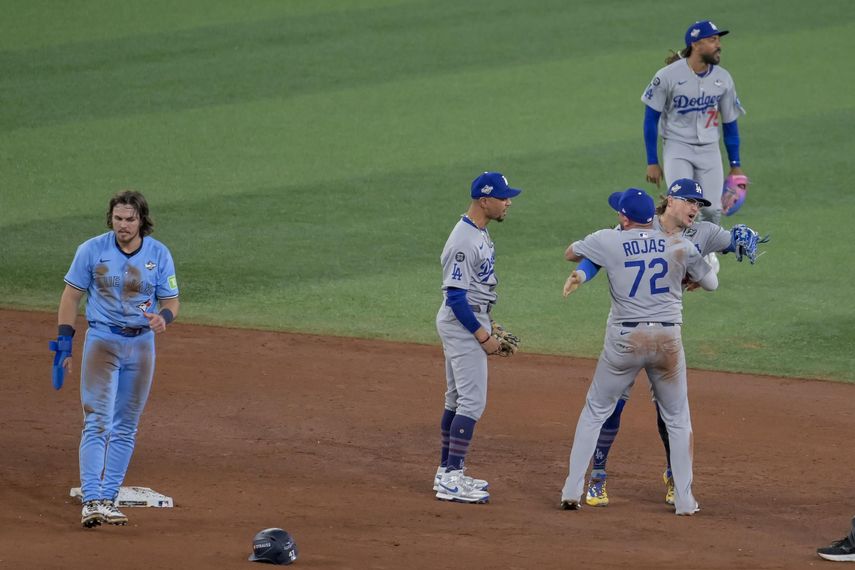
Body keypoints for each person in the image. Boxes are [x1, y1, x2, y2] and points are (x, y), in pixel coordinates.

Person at [571, 178, 768, 508]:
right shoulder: (635, 227)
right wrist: (580, 274)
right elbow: (594, 258)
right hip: (626, 331)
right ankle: (598, 476)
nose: (696, 208)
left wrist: (738, 241)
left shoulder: (702, 233)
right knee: (615, 406)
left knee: (668, 412)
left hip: (663, 332)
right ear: (670, 201)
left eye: (700, 204)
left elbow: (729, 247)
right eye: (690, 201)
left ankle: (675, 479)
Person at [558, 187, 717, 515]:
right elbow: (711, 282)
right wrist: (695, 273)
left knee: (594, 412)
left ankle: (572, 490)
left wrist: (587, 264)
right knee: (678, 419)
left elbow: (570, 252)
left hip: (625, 341)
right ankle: (685, 501)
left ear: (623, 217)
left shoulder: (608, 239)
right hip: (667, 341)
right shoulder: (679, 243)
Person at [51, 190, 180, 528]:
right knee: (97, 420)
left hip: (141, 345)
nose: (123, 225)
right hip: (102, 341)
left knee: (126, 425)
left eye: (130, 219)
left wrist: (163, 319)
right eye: (118, 218)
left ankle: (108, 498)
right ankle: (91, 500)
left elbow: (172, 301)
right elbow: (71, 296)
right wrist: (64, 344)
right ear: (111, 218)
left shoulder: (158, 253)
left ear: (142, 221)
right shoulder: (91, 250)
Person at [433, 171, 522, 504]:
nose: (508, 202)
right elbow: (456, 297)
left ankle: (446, 473)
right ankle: (453, 478)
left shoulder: (479, 232)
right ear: (485, 201)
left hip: (470, 317)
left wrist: (488, 319)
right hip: (462, 323)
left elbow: (474, 288)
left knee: (456, 399)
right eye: (503, 197)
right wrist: (483, 336)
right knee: (472, 402)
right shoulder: (464, 240)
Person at [641, 19, 747, 272]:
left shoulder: (723, 79)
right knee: (680, 204)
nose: (718, 45)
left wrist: (735, 165)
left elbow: (730, 125)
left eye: (718, 40)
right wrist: (652, 160)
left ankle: (705, 251)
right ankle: (675, 251)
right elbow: (650, 119)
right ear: (696, 44)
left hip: (710, 149)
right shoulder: (667, 76)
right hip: (677, 147)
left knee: (712, 209)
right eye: (712, 40)